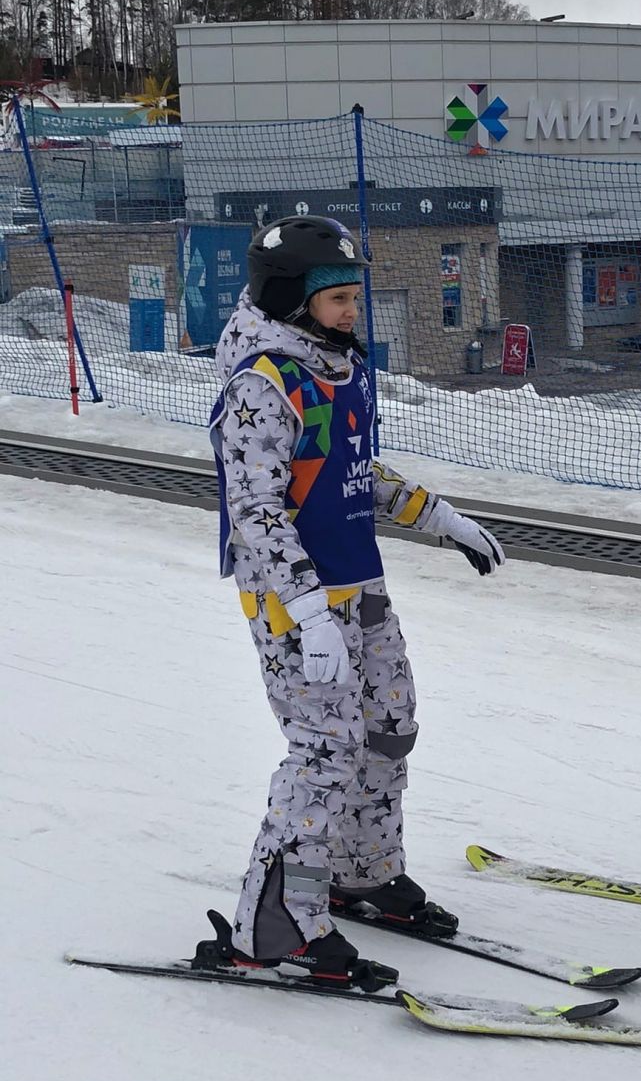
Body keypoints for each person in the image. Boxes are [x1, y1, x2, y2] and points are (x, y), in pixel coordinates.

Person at [204, 215, 505, 990]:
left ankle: (361, 875)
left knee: (387, 729)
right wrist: (306, 613)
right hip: (294, 606)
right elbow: (258, 511)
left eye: (351, 296)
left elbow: (350, 474)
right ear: (290, 300)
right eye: (337, 298)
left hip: (360, 588)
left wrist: (441, 518)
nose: (352, 312)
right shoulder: (261, 386)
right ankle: (277, 927)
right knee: (325, 756)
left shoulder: (338, 368)